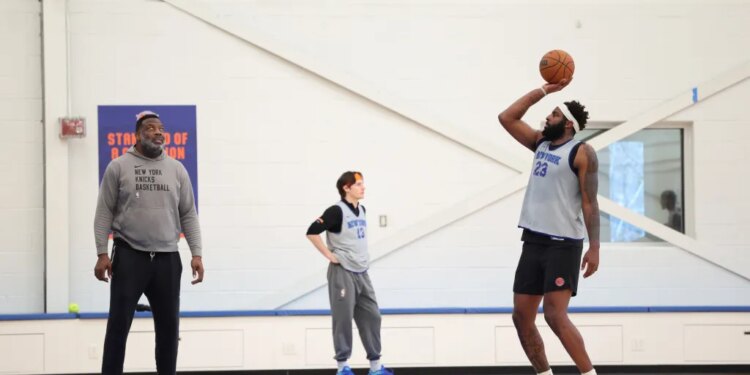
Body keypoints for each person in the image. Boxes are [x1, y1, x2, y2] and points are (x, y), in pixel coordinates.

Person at [498, 80, 600, 375]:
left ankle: (589, 373)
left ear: (568, 124)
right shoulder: (540, 143)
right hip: (533, 240)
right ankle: (544, 374)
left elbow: (590, 203)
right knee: (521, 317)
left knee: (555, 316)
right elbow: (507, 117)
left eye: (554, 114)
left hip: (563, 243)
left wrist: (594, 248)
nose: (547, 118)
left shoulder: (582, 152)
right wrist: (544, 90)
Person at [93, 110, 205, 375]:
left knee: (168, 329)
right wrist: (101, 252)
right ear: (137, 135)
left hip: (167, 258)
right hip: (129, 256)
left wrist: (197, 253)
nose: (158, 132)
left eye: (161, 128)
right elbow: (104, 212)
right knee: (118, 326)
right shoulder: (118, 166)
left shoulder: (177, 169)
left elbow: (188, 213)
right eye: (151, 128)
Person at [306, 171, 394, 375]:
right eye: (359, 184)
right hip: (342, 271)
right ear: (346, 188)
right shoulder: (335, 211)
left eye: (363, 184)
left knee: (372, 316)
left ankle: (375, 367)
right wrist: (330, 256)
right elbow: (311, 232)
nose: (363, 187)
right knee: (343, 318)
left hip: (362, 271)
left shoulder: (362, 209)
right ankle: (342, 366)